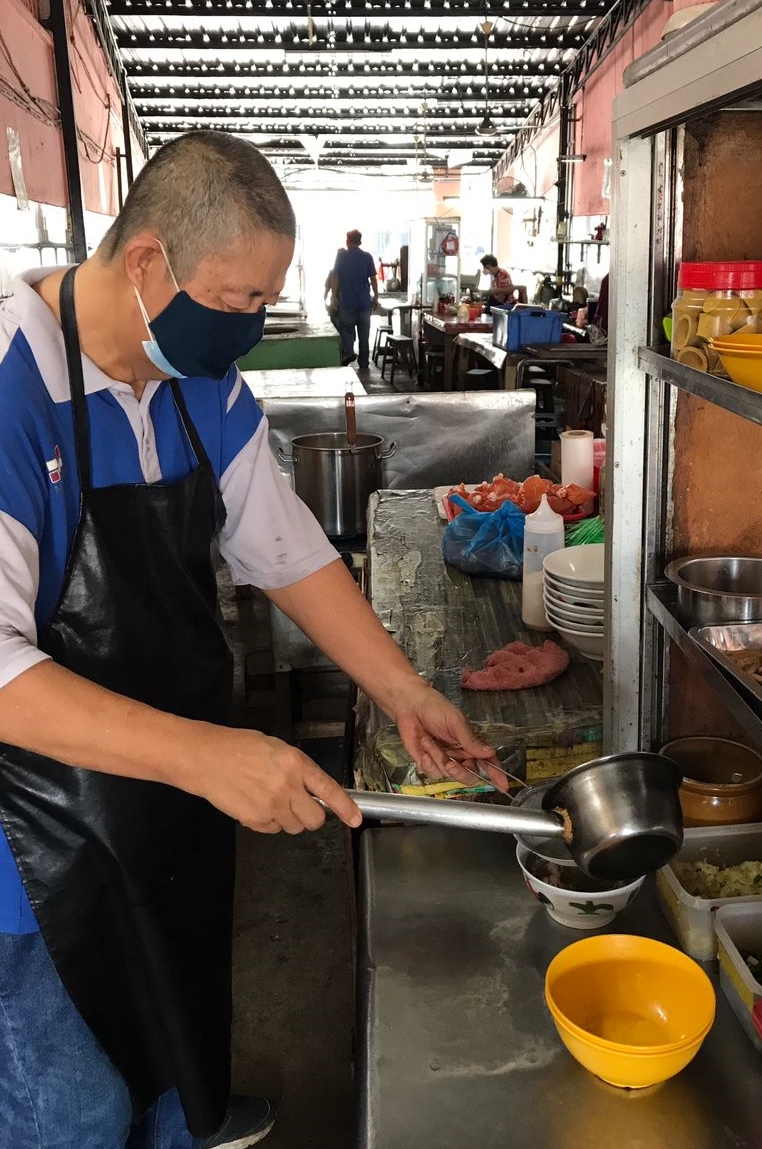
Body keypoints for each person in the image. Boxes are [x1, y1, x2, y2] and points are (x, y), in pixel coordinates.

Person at [0, 129, 503, 1149]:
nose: (248, 328)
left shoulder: (202, 385)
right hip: (28, 837)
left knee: (177, 1057)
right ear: (146, 261)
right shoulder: (14, 394)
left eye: (263, 303)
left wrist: (404, 694)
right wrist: (210, 755)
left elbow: (290, 553)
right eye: (234, 301)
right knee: (76, 1108)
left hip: (168, 797)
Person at [330, 230, 379, 369]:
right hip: (364, 303)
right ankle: (363, 363)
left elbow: (335, 277)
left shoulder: (341, 256)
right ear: (360, 242)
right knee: (364, 334)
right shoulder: (367, 257)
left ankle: (349, 352)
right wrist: (376, 296)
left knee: (346, 330)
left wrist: (334, 297)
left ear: (347, 241)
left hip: (347, 302)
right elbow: (373, 279)